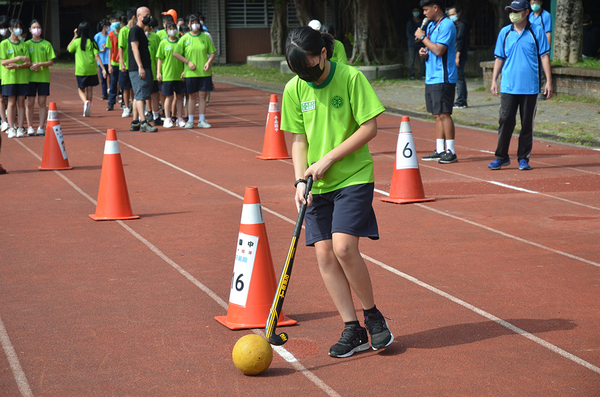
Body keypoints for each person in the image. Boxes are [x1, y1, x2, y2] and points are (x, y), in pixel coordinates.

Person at [280, 26, 393, 358]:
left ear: (324, 53)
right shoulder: (295, 88)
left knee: (344, 248)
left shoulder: (351, 78)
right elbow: (298, 140)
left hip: (353, 176)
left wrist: (329, 157)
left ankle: (372, 316)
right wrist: (300, 181)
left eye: (310, 66)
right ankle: (351, 328)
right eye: (299, 71)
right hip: (317, 184)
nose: (308, 76)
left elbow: (370, 127)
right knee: (324, 254)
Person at [488, 0, 552, 171]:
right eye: (510, 11)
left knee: (526, 124)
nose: (512, 14)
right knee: (505, 121)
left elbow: (544, 57)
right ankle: (501, 157)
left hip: (530, 87)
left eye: (516, 11)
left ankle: (523, 158)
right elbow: (499, 57)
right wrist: (494, 80)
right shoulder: (505, 32)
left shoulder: (536, 31)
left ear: (525, 12)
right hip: (508, 86)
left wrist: (549, 81)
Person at [415, 0, 458, 164]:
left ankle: (451, 151)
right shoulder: (433, 26)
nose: (424, 13)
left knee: (444, 113)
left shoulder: (446, 25)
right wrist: (424, 51)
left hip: (443, 77)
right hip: (432, 76)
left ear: (435, 8)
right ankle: (440, 149)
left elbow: (440, 50)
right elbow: (432, 48)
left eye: (426, 10)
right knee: (436, 114)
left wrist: (423, 37)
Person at [173, 14, 215, 129]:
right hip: (191, 72)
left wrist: (208, 62)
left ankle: (202, 119)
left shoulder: (205, 37)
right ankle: (190, 120)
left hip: (204, 72)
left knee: (202, 95)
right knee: (192, 96)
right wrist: (187, 62)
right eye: (192, 22)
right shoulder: (185, 38)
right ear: (189, 24)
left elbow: (212, 52)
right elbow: (176, 53)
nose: (195, 24)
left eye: (196, 22)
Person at [128, 6, 158, 133]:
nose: (148, 17)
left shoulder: (141, 31)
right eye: (146, 15)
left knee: (138, 94)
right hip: (138, 68)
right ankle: (143, 122)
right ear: (138, 16)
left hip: (143, 67)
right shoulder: (135, 30)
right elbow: (134, 48)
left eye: (149, 15)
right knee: (141, 96)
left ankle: (135, 122)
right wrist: (140, 66)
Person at [67, 22, 106, 118]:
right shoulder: (92, 42)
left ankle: (85, 102)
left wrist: (74, 37)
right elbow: (97, 55)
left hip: (81, 69)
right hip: (91, 69)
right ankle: (88, 105)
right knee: (90, 89)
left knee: (81, 89)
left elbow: (68, 49)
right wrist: (103, 68)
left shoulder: (76, 42)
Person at [1, 18, 31, 138]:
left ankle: (20, 128)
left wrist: (18, 66)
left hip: (22, 78)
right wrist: (18, 58)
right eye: (15, 27)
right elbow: (3, 62)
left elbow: (28, 62)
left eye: (20, 27)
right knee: (11, 103)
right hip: (9, 78)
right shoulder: (4, 44)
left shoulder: (24, 44)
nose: (18, 30)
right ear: (10, 29)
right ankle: (11, 127)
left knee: (21, 103)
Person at [26, 19, 55, 136]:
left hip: (43, 78)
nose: (36, 29)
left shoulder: (47, 44)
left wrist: (40, 65)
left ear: (41, 30)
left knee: (42, 102)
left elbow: (51, 61)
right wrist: (32, 66)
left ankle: (41, 126)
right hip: (29, 77)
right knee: (30, 103)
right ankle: (30, 126)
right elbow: (24, 60)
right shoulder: (26, 44)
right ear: (29, 30)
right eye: (34, 27)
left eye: (38, 27)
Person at [157, 21, 185, 128]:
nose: (172, 30)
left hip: (179, 75)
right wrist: (158, 72)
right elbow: (160, 58)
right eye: (169, 28)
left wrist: (184, 71)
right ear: (166, 30)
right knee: (168, 97)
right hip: (167, 75)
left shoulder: (180, 42)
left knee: (179, 97)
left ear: (177, 30)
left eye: (174, 28)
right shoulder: (163, 43)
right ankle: (167, 118)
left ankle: (179, 118)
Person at [528, 0, 551, 100]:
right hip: (531, 46)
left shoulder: (546, 15)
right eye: (532, 2)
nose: (534, 5)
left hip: (541, 45)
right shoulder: (530, 15)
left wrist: (548, 48)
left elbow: (548, 32)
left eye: (536, 2)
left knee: (541, 68)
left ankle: (542, 90)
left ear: (541, 2)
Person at [448, 6, 469, 108]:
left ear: (458, 14)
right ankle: (461, 100)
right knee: (459, 78)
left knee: (459, 78)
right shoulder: (455, 25)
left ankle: (461, 101)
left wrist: (457, 57)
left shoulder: (461, 25)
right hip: (456, 55)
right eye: (450, 15)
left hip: (460, 55)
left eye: (453, 14)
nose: (451, 16)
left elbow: (460, 41)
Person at [119, 8, 137, 118]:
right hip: (126, 63)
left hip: (135, 64)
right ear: (134, 17)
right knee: (125, 87)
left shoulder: (137, 30)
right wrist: (122, 63)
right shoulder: (123, 31)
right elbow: (120, 48)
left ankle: (134, 106)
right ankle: (126, 107)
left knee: (135, 87)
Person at [105, 19, 122, 111]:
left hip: (123, 63)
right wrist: (109, 65)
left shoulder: (123, 33)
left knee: (123, 84)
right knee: (113, 83)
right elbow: (110, 50)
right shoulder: (111, 35)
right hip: (114, 62)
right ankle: (111, 102)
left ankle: (124, 102)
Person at [406, 7, 426, 80]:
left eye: (417, 11)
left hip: (421, 44)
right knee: (411, 60)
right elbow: (408, 34)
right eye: (414, 11)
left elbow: (424, 32)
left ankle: (423, 75)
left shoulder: (422, 22)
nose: (416, 12)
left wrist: (420, 39)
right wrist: (414, 40)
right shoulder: (410, 23)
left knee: (422, 60)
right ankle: (412, 75)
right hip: (412, 44)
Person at [0, 16, 11, 134]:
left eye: (4, 28)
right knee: (1, 99)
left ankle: (9, 119)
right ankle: (4, 121)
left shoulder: (11, 41)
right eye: (0, 28)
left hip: (8, 74)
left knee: (10, 99)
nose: (2, 30)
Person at [94, 19, 110, 100]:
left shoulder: (110, 35)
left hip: (110, 60)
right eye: (108, 26)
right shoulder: (97, 36)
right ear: (104, 27)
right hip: (102, 61)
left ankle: (111, 92)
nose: (109, 28)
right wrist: (101, 49)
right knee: (103, 78)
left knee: (111, 78)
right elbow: (94, 48)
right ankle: (104, 94)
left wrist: (107, 46)